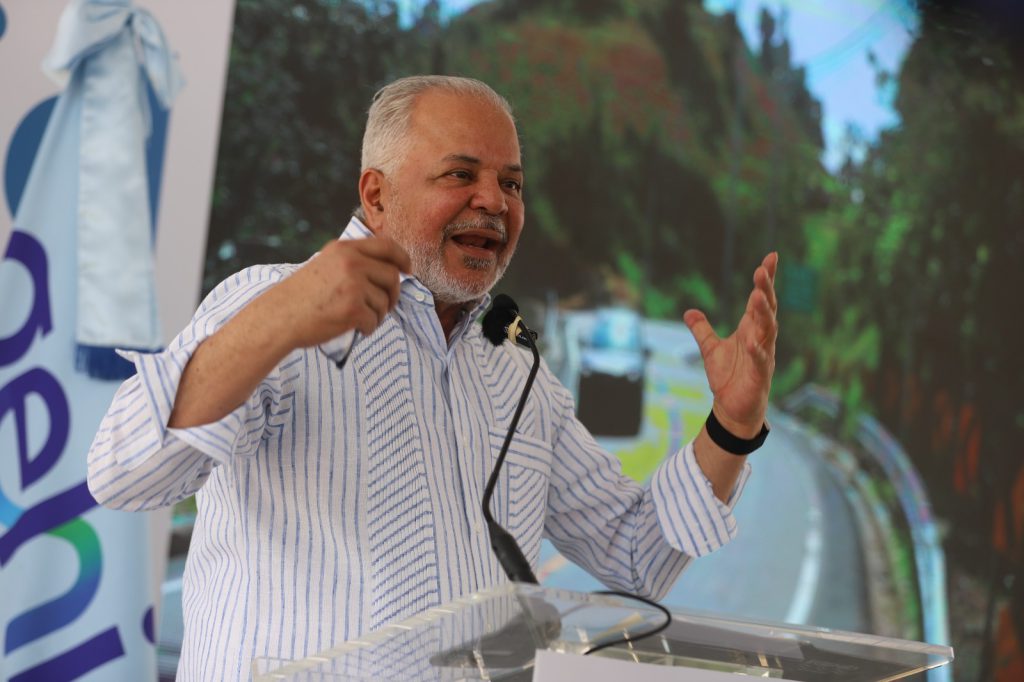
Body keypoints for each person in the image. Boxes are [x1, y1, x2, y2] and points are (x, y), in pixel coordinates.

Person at [87, 75, 779, 681]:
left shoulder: (517, 372)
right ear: (375, 193)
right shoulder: (271, 303)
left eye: (511, 183)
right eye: (461, 175)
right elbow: (124, 473)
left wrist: (733, 425)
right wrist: (280, 322)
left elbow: (637, 557)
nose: (495, 202)